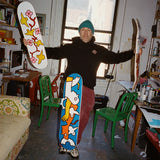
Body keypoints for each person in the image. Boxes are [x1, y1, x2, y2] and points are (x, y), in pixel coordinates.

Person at [23, 20, 134, 158]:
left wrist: (132, 53)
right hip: (71, 87)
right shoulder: (71, 47)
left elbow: (116, 58)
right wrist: (30, 46)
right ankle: (65, 144)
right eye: (83, 30)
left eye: (88, 30)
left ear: (92, 33)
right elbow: (51, 52)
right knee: (67, 117)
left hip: (87, 88)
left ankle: (73, 142)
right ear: (79, 32)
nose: (85, 32)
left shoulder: (98, 50)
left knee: (81, 118)